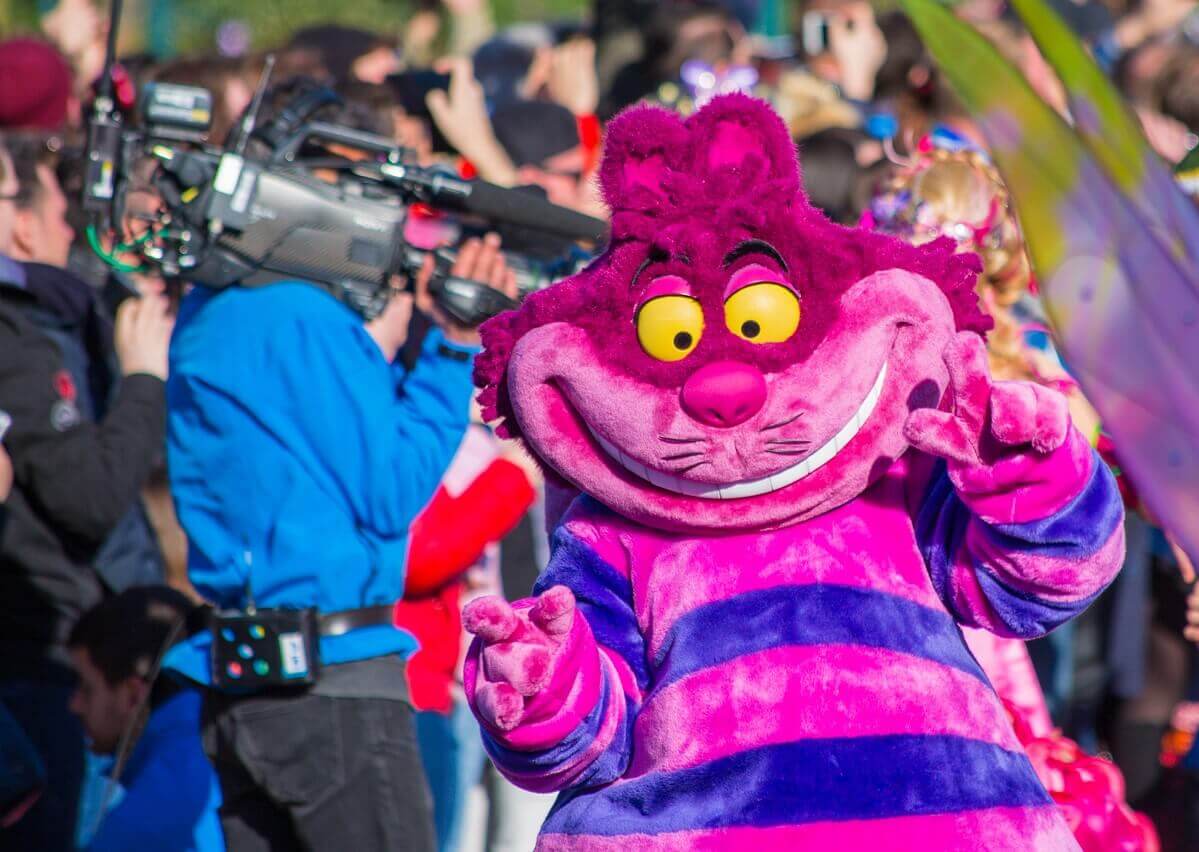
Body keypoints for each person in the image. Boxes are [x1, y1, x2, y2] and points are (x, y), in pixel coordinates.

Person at [165, 210, 517, 850]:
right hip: (334, 684)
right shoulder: (307, 319)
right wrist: (454, 345)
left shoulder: (205, 312)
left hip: (237, 680)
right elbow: (390, 495)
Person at [0, 136, 174, 852]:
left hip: (81, 649)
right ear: (23, 224)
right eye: (62, 210)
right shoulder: (16, 336)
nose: (78, 230)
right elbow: (92, 497)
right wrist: (141, 380)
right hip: (46, 665)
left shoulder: (59, 314)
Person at [67, 586, 223, 851]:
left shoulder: (166, 791)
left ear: (132, 694)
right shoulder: (205, 734)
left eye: (86, 687)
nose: (75, 705)